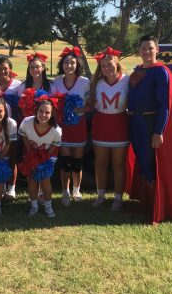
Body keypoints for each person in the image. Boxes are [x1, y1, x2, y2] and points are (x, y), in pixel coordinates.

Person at [126, 35, 172, 224]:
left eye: (150, 48)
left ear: (157, 50)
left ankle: (155, 206)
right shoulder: (138, 70)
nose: (146, 52)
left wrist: (159, 131)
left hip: (150, 124)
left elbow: (165, 105)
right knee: (141, 162)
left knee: (150, 164)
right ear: (139, 50)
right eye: (143, 48)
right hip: (134, 123)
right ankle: (145, 203)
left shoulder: (161, 72)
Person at [90, 48, 129, 211]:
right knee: (100, 163)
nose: (106, 68)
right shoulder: (96, 83)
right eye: (103, 65)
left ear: (117, 63)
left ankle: (118, 198)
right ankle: (101, 196)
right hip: (101, 126)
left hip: (120, 125)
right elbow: (90, 104)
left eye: (109, 64)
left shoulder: (128, 80)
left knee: (118, 165)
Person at [50, 47, 90, 206]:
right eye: (66, 62)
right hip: (63, 126)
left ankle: (76, 190)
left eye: (72, 62)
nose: (69, 65)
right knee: (65, 161)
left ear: (77, 64)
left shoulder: (84, 82)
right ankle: (65, 192)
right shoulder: (57, 82)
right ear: (62, 64)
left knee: (77, 162)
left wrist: (77, 110)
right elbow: (52, 103)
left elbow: (90, 105)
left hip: (78, 125)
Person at [18, 96, 62, 218]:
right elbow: (24, 136)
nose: (43, 114)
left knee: (45, 179)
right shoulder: (27, 122)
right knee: (31, 179)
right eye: (41, 111)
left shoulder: (56, 130)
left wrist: (44, 156)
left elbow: (55, 145)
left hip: (48, 155)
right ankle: (34, 206)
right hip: (30, 152)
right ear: (36, 111)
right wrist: (31, 152)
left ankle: (48, 206)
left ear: (52, 114)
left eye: (47, 112)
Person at [0, 57, 21, 199]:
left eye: (5, 68)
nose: (3, 71)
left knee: (12, 157)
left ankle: (12, 188)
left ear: (10, 69)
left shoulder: (17, 85)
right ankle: (1, 185)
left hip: (12, 126)